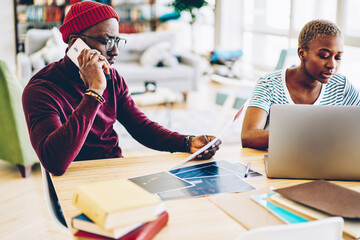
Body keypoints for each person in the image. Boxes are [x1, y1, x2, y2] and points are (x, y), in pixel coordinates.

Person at [22, 1, 221, 176]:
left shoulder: (113, 78)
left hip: (115, 171)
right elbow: (55, 163)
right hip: (74, 181)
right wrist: (95, 91)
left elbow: (140, 127)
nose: (115, 51)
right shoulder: (41, 90)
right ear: (76, 43)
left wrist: (187, 142)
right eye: (107, 41)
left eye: (117, 41)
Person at [241, 19, 360, 149]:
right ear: (302, 53)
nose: (332, 65)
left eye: (338, 58)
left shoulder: (341, 87)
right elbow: (249, 136)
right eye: (324, 56)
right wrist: (307, 136)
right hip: (278, 164)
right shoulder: (269, 84)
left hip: (329, 165)